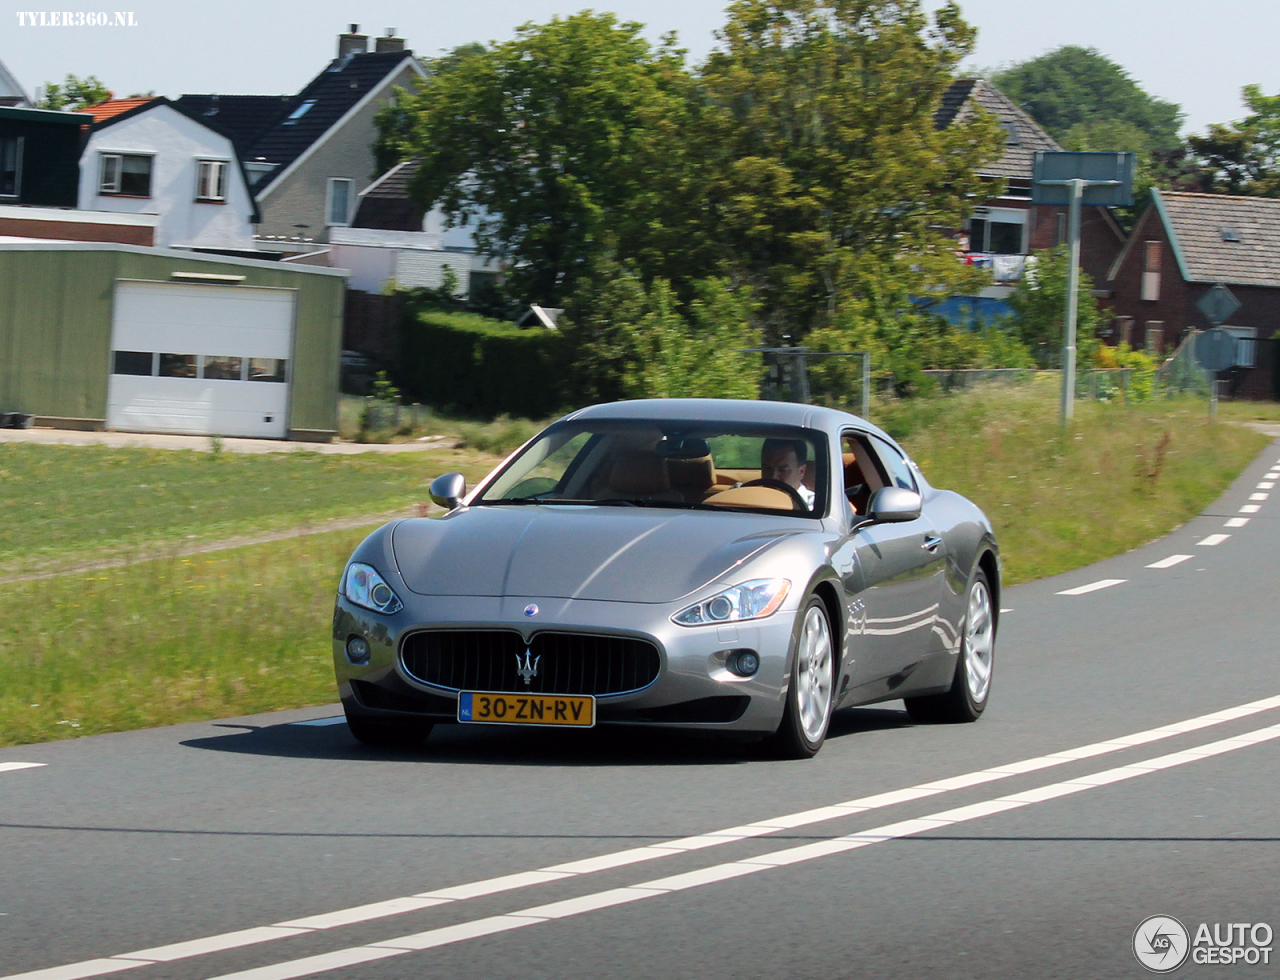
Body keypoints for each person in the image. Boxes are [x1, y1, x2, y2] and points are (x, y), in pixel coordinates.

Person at [760, 438, 815, 508]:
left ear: (801, 472)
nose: (773, 477)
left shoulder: (814, 507)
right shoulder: (749, 501)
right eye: (768, 469)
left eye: (783, 470)